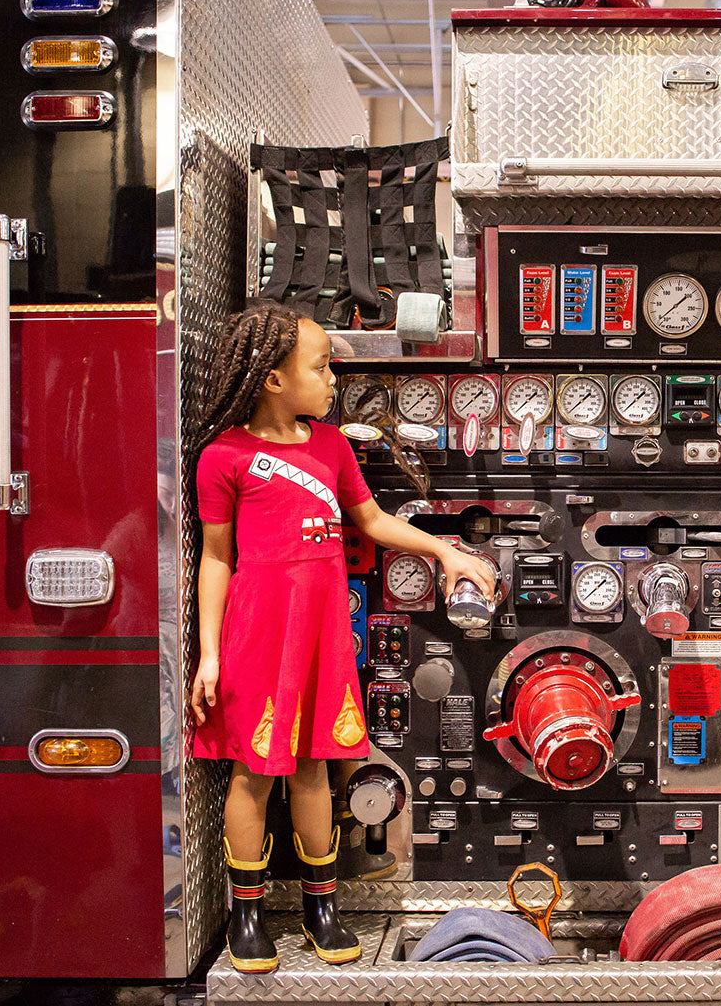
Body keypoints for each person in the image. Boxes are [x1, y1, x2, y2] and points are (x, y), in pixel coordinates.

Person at [189, 302, 496, 974]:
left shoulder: (330, 448)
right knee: (252, 775)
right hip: (258, 637)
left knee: (314, 770)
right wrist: (208, 654)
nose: (333, 380)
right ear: (273, 378)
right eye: (321, 365)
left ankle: (320, 909)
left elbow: (374, 521)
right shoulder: (223, 457)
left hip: (324, 637)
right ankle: (246, 916)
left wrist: (447, 553)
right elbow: (216, 558)